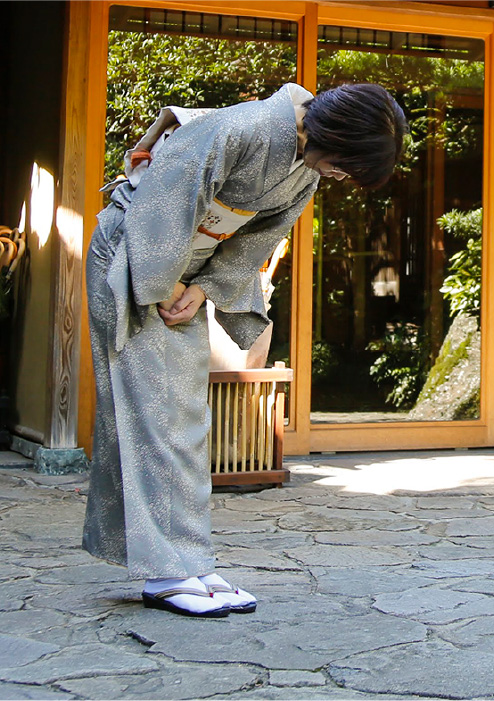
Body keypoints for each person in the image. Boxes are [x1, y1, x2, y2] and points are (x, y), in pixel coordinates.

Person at [83, 83, 408, 618]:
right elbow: (161, 207)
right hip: (134, 260)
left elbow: (261, 234)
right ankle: (170, 570)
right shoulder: (243, 129)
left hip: (182, 273)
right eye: (346, 166)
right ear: (337, 136)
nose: (340, 177)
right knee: (155, 412)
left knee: (181, 415)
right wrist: (167, 284)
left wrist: (205, 288)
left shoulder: (306, 160)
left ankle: (185, 561)